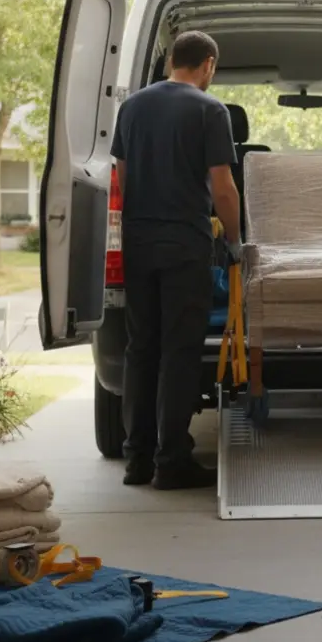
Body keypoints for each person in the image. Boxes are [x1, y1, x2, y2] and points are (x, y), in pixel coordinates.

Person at [110, 30, 243, 489]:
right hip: (185, 244)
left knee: (141, 348)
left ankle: (137, 460)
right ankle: (171, 462)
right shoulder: (210, 110)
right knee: (179, 350)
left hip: (138, 242)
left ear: (170, 60)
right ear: (208, 64)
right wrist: (235, 241)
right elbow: (223, 188)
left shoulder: (131, 107)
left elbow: (122, 175)